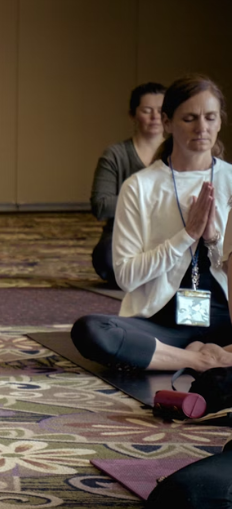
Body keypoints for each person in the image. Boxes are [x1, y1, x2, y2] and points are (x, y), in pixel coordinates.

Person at [72, 75, 232, 372]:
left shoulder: (230, 181)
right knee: (92, 330)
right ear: (168, 123)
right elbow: (127, 277)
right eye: (190, 118)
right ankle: (200, 360)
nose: (202, 128)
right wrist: (185, 236)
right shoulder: (140, 187)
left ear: (220, 121)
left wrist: (212, 242)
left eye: (210, 118)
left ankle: (202, 354)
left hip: (225, 321)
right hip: (163, 324)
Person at [89, 82, 166, 284]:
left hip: (168, 234)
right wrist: (150, 201)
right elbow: (101, 206)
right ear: (133, 115)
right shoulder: (115, 155)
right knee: (106, 257)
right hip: (124, 235)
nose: (155, 117)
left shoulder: (178, 153)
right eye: (147, 111)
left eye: (161, 111)